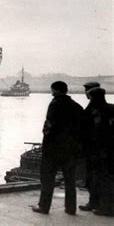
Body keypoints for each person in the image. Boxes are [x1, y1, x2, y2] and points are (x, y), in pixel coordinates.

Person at [32, 81, 83, 215]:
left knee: (48, 178)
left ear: (57, 90)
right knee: (70, 179)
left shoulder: (55, 104)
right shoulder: (77, 106)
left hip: (54, 149)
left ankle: (44, 206)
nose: (52, 93)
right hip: (70, 149)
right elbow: (82, 129)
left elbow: (49, 126)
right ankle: (71, 208)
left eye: (53, 90)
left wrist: (46, 142)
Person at [81, 87, 113, 216]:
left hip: (99, 151)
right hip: (104, 151)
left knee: (100, 179)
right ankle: (97, 204)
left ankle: (104, 207)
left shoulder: (94, 112)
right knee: (100, 179)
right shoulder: (110, 108)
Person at [79, 81, 101, 211]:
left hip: (94, 150)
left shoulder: (93, 109)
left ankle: (95, 203)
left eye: (87, 90)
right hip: (99, 149)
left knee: (93, 177)